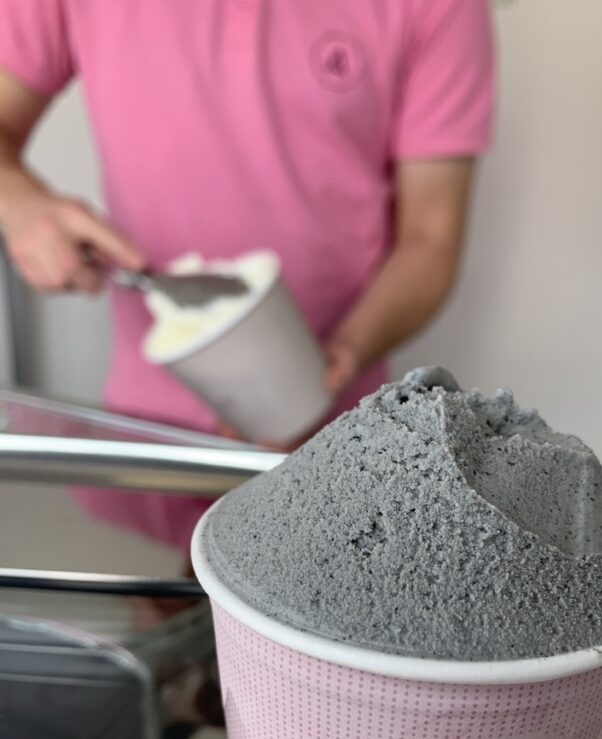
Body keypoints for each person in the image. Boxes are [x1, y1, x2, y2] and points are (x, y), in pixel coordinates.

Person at [0, 1, 494, 433]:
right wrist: (20, 204)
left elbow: (430, 240)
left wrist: (338, 362)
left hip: (340, 426)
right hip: (146, 428)